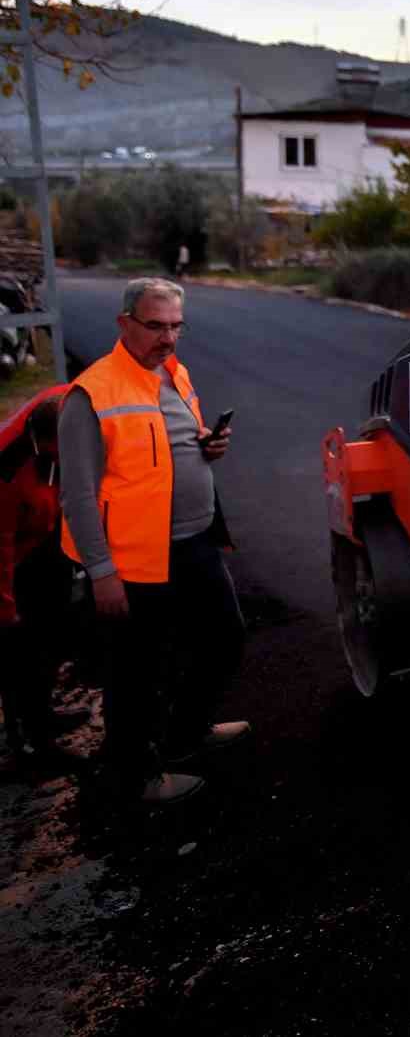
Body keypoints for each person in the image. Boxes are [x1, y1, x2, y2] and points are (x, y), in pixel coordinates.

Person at [59, 278, 249, 805]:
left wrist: (207, 447)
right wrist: (101, 572)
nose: (168, 338)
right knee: (137, 672)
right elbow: (76, 495)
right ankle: (137, 776)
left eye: (175, 326)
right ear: (124, 324)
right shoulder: (92, 394)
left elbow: (166, 448)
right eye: (155, 326)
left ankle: (186, 735)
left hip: (195, 542)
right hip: (135, 558)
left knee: (223, 637)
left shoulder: (174, 375)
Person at [0, 387, 88, 768]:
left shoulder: (77, 405)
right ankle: (33, 745)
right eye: (55, 450)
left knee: (53, 633)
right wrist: (5, 607)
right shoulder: (8, 470)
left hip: (45, 536)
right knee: (23, 651)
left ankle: (44, 714)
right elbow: (0, 548)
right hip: (14, 557)